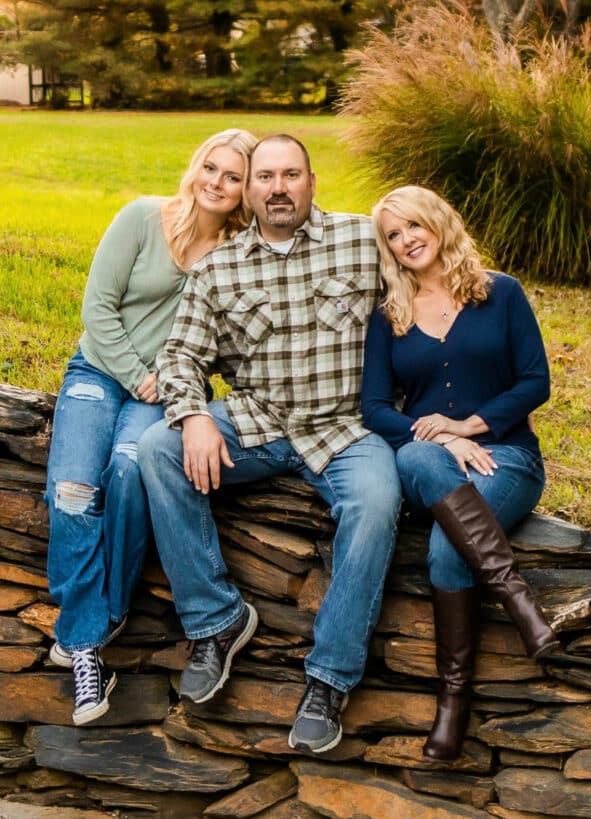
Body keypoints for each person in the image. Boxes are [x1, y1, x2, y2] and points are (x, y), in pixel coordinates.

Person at [137, 134, 401, 755]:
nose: (278, 188)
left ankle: (329, 679)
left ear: (312, 181)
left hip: (344, 429)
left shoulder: (361, 241)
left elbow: (432, 281)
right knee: (158, 449)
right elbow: (180, 357)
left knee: (379, 501)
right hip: (255, 422)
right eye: (265, 178)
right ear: (249, 191)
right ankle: (215, 620)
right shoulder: (218, 269)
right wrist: (194, 414)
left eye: (291, 175)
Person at [45, 128, 258, 727]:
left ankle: (97, 620)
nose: (217, 182)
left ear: (245, 190)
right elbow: (97, 307)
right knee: (73, 491)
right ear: (196, 166)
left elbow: (223, 341)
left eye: (233, 176)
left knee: (133, 467)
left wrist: (171, 381)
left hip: (168, 390)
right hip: (100, 370)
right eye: (211, 168)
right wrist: (141, 373)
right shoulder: (142, 217)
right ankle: (88, 643)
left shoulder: (236, 255)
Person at [361, 185, 558, 761]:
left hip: (507, 459)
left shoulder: (502, 294)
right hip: (433, 462)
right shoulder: (389, 314)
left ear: (440, 223)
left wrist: (473, 424)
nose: (406, 241)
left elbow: (534, 381)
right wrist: (443, 434)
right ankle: (517, 598)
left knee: (449, 553)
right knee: (416, 455)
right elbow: (374, 409)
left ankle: (453, 703)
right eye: (393, 236)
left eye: (413, 226)